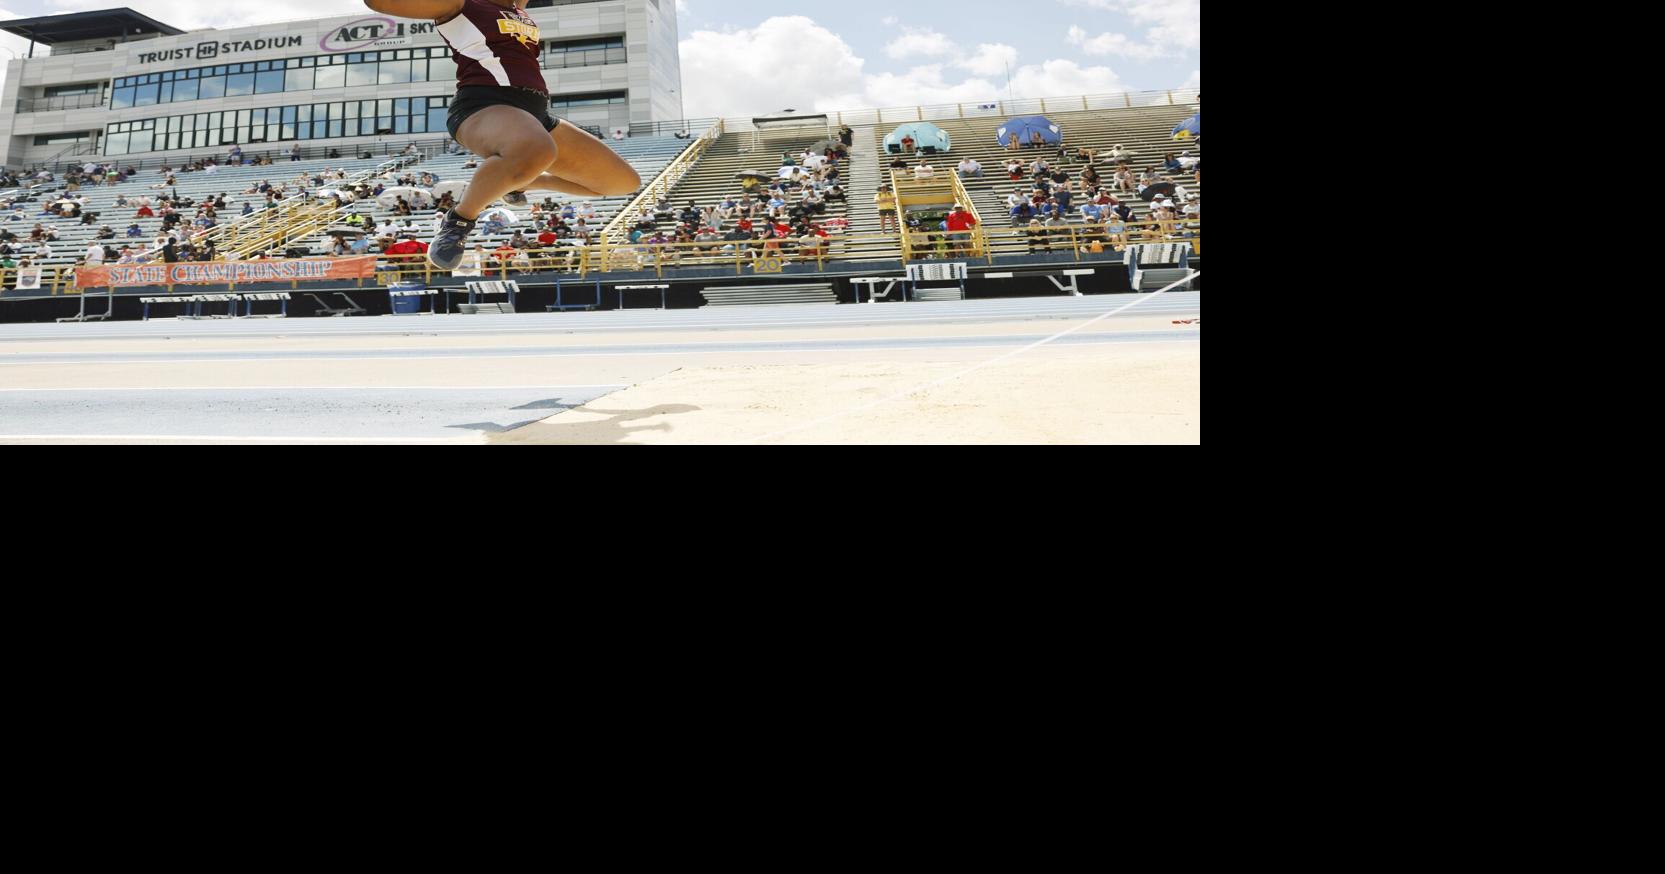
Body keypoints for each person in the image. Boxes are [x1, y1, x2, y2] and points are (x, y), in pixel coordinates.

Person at [365, 0, 640, 270]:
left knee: (621, 182)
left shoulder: (516, 7)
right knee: (536, 149)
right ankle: (459, 221)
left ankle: (528, 181)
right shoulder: (461, 5)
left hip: (534, 113)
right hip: (484, 104)